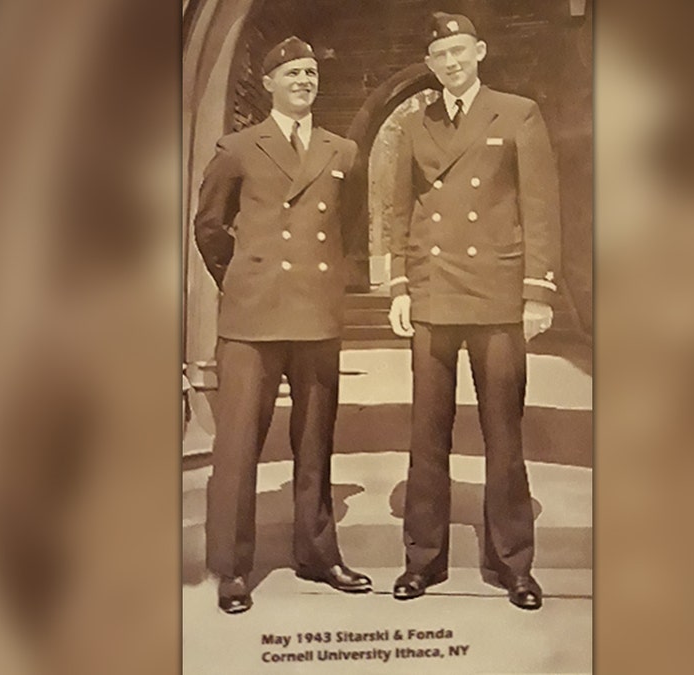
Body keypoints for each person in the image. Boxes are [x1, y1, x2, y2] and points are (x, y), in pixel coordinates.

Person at [386, 12, 561, 611]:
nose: (451, 63)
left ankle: (514, 563)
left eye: (460, 51)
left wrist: (537, 292)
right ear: (430, 65)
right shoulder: (417, 122)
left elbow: (540, 207)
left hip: (496, 295)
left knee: (503, 433)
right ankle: (422, 560)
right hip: (434, 291)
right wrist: (401, 287)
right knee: (426, 434)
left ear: (479, 51)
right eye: (440, 56)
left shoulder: (517, 113)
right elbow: (400, 207)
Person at [194, 36, 371, 615]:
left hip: (315, 314)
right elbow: (210, 228)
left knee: (316, 442)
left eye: (311, 71)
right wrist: (244, 279)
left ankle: (318, 554)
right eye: (292, 72)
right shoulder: (239, 148)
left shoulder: (341, 151)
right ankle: (231, 567)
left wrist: (320, 283)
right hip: (253, 317)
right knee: (239, 446)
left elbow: (350, 227)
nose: (304, 80)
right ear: (267, 83)